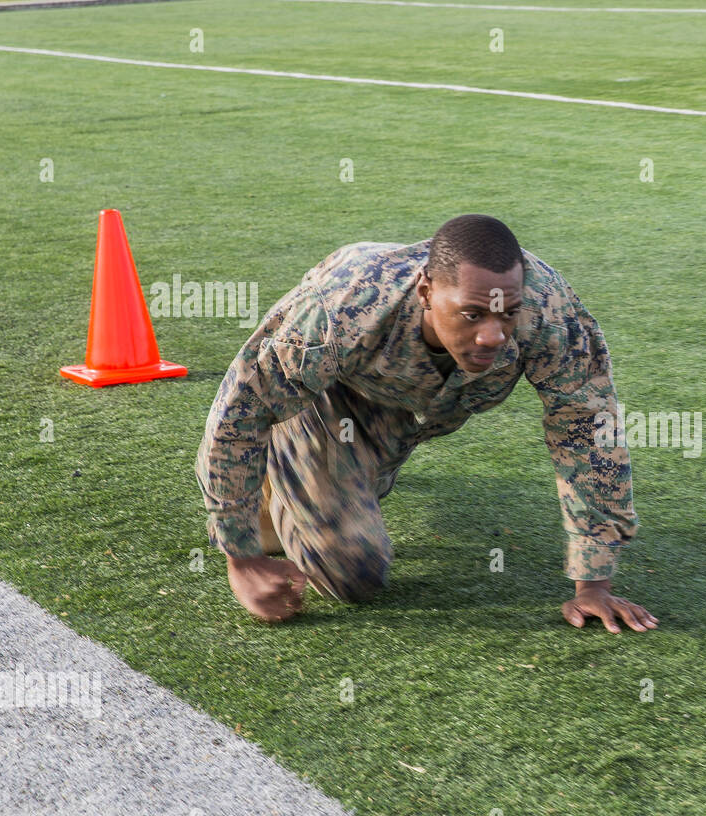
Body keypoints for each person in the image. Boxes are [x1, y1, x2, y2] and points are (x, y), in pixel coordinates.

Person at [195, 214, 657, 633]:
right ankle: (285, 462)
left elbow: (588, 432)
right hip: (330, 389)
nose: (494, 335)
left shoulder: (550, 311)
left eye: (508, 314)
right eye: (472, 315)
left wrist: (593, 584)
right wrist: (242, 557)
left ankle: (314, 485)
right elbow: (240, 412)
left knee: (357, 491)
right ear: (426, 292)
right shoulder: (342, 308)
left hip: (411, 412)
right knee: (350, 572)